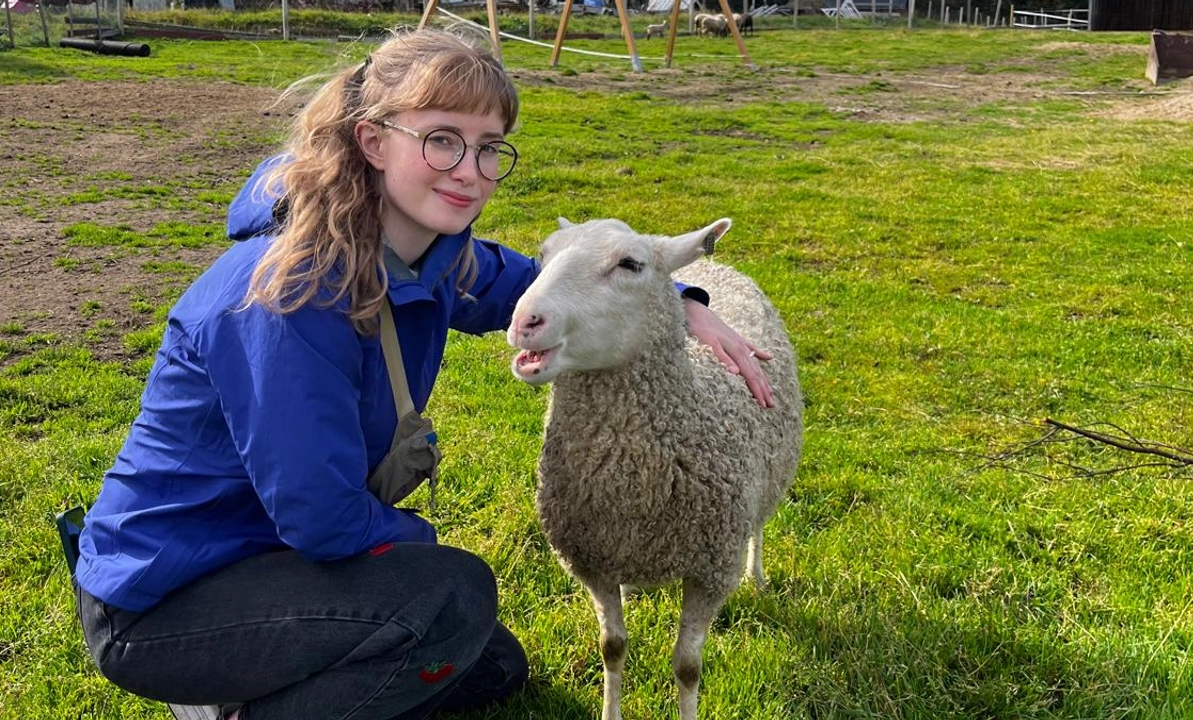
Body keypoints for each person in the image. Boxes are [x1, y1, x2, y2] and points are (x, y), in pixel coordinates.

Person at [72, 27, 774, 720]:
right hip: (168, 595)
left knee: (492, 665)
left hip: (271, 554)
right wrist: (418, 554)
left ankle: (291, 664)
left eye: (489, 147)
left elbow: (542, 288)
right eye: (441, 139)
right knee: (450, 594)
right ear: (374, 140)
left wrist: (677, 300)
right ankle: (223, 707)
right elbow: (322, 520)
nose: (469, 169)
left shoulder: (432, 257)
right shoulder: (282, 300)